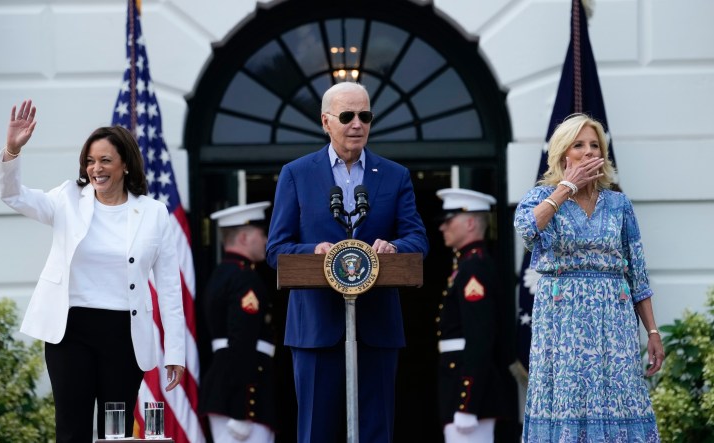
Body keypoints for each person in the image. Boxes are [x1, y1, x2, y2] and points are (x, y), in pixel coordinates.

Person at [0, 99, 186, 442]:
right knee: (72, 428)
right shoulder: (67, 197)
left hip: (124, 335)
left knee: (116, 433)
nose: (96, 168)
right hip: (71, 331)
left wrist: (175, 351)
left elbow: (170, 287)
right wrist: (12, 150)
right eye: (90, 161)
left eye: (105, 160)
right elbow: (14, 196)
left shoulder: (154, 212)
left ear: (125, 165)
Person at [265, 81, 429, 443]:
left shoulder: (394, 175)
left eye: (365, 116)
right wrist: (314, 252)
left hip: (377, 327)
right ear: (326, 121)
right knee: (316, 432)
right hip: (316, 328)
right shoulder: (297, 173)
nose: (357, 124)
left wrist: (394, 247)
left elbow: (418, 240)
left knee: (376, 432)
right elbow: (277, 249)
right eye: (347, 116)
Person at [514, 113, 664, 441]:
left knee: (619, 396)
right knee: (566, 397)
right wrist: (566, 187)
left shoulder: (619, 204)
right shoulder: (541, 198)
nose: (588, 152)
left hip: (614, 318)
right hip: (561, 320)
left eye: (595, 145)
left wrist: (652, 331)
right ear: (562, 154)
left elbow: (637, 273)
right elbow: (526, 229)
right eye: (579, 145)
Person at [435, 188, 518, 443]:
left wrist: (467, 403)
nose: (442, 228)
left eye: (449, 221)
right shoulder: (467, 264)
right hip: (459, 382)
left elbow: (479, 339)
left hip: (470, 391)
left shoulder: (474, 268)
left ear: (470, 223)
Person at [200, 201, 277, 443]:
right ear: (244, 237)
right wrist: (242, 411)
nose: (266, 240)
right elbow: (241, 343)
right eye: (262, 234)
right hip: (241, 396)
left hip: (226, 387)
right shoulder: (245, 279)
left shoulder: (222, 273)